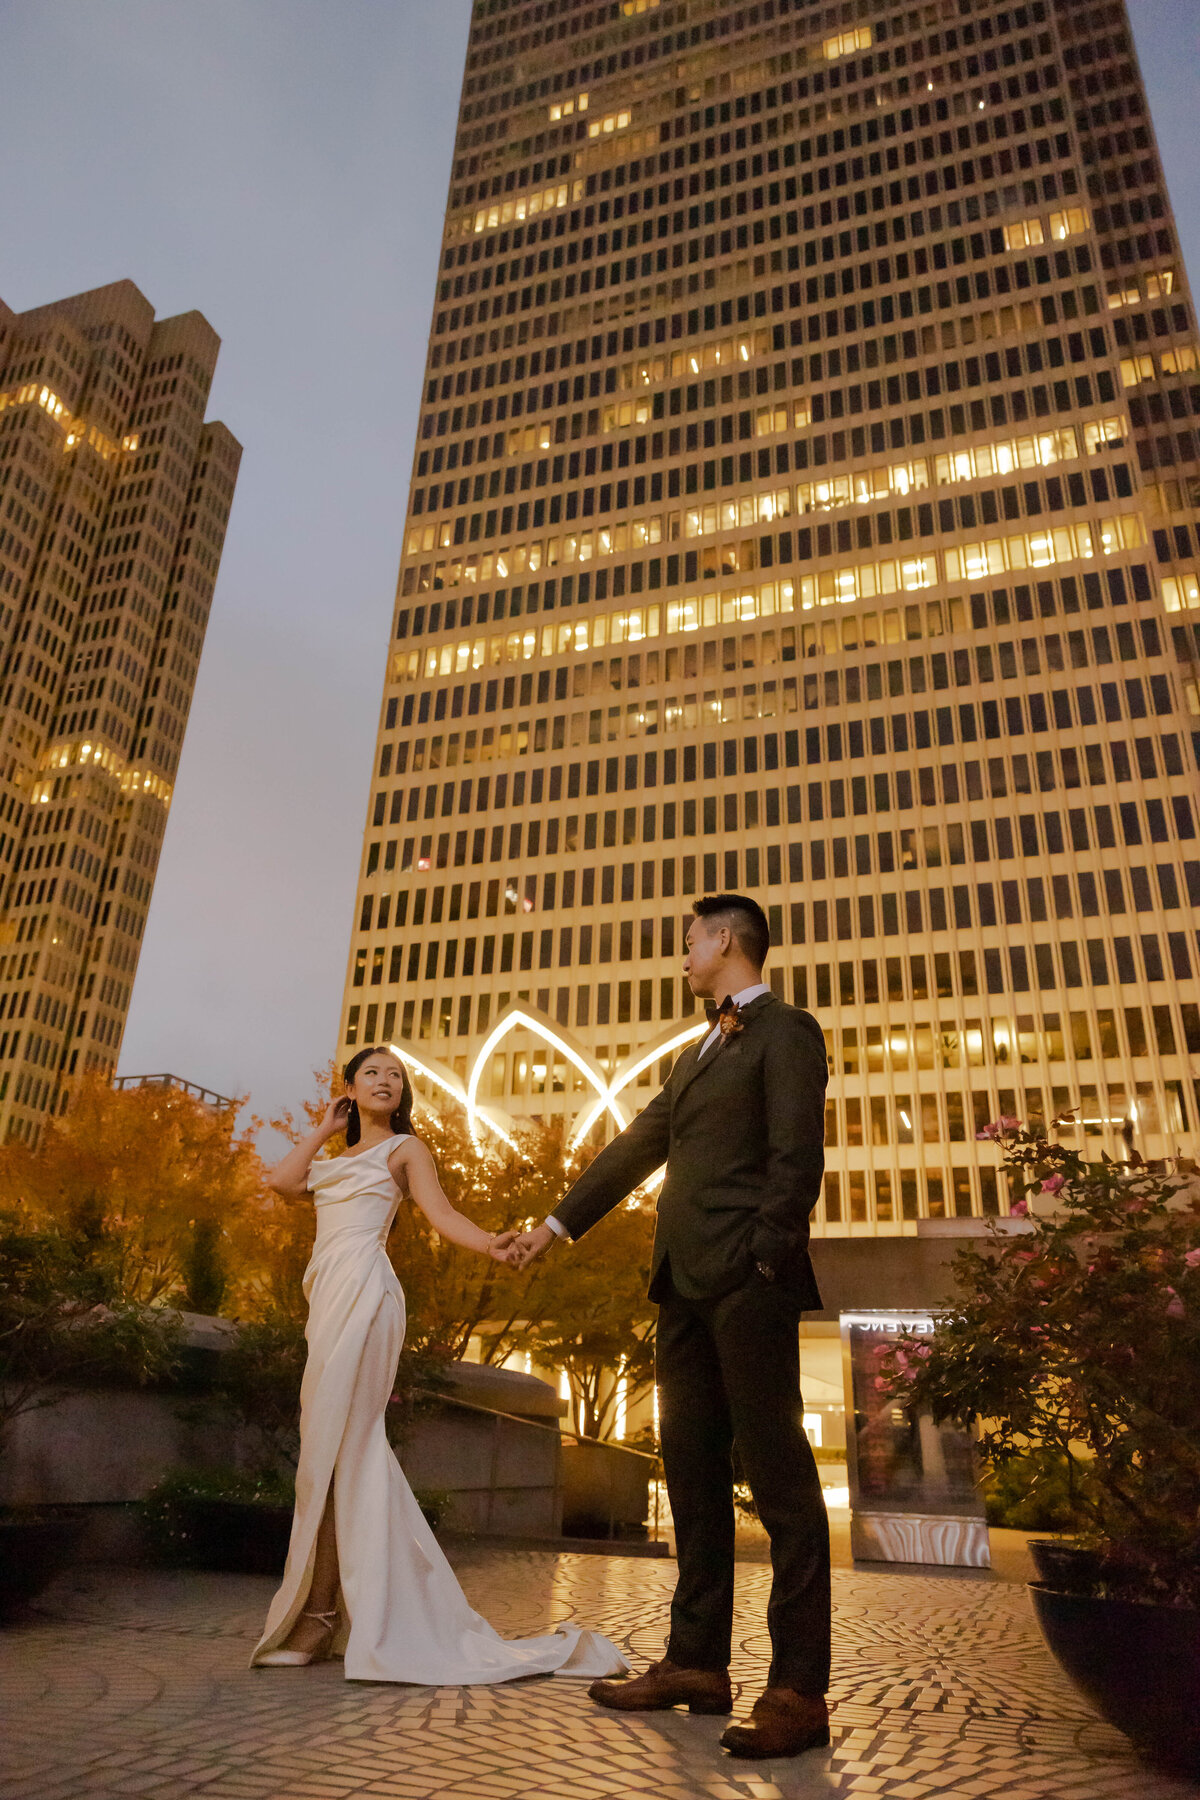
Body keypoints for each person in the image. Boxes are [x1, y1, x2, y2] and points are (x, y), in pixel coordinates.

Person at [509, 895, 831, 1759]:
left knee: (779, 1477)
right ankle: (695, 1663)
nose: (683, 956)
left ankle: (799, 1690)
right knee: (689, 1473)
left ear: (724, 940)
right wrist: (553, 1226)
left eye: (690, 941)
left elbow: (798, 1153)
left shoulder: (786, 1031)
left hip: (748, 1280)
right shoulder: (700, 1049)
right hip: (679, 1285)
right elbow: (637, 1144)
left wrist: (766, 1252)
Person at [251, 1044, 626, 1685]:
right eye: (372, 1072)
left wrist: (492, 1245)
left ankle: (320, 1616)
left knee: (345, 1448)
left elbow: (443, 1213)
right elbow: (282, 1183)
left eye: (396, 1076)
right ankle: (334, 1609)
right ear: (349, 1087)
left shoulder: (405, 1151)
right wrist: (323, 1125)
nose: (386, 1081)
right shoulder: (336, 1157)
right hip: (327, 1298)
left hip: (367, 1293)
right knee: (326, 1452)